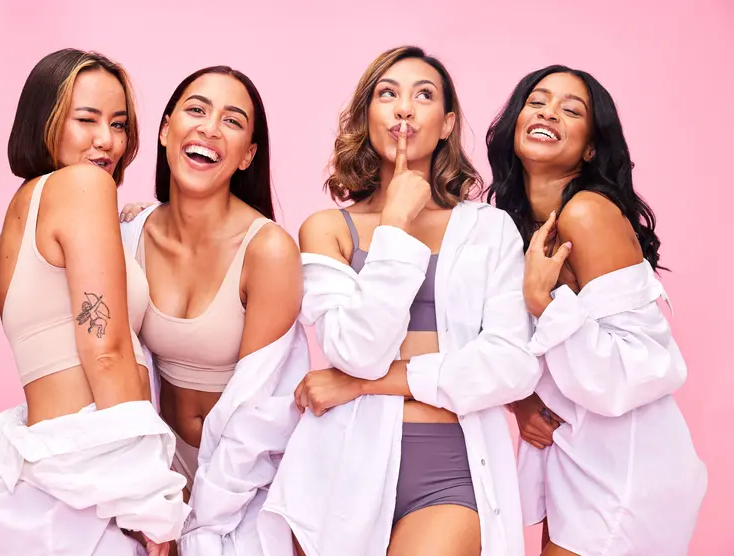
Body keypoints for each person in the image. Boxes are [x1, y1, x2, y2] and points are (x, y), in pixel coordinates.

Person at [257, 46, 540, 556]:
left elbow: (512, 366)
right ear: (369, 116)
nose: (404, 109)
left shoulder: (488, 229)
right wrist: (394, 227)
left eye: (423, 95)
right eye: (387, 94)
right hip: (341, 465)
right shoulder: (327, 229)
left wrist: (368, 384)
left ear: (448, 123)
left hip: (452, 469)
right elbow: (354, 350)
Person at [0, 49, 189, 556]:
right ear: (46, 122)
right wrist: (149, 501)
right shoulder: (83, 187)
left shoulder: (15, 222)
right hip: (93, 479)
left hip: (42, 477)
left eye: (119, 123)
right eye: (87, 119)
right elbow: (106, 350)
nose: (108, 140)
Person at [486, 64, 707, 556]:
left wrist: (544, 302)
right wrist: (520, 402)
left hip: (627, 465)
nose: (548, 112)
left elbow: (635, 371)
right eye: (537, 101)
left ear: (590, 147)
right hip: (571, 457)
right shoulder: (511, 226)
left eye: (571, 109)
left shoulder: (587, 214)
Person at [118, 66, 309, 556]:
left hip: (246, 479)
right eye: (197, 110)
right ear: (165, 130)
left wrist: (197, 522)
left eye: (232, 120)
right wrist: (151, 497)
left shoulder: (268, 251)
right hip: (154, 471)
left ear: (248, 155)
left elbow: (258, 414)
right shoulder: (126, 236)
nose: (209, 127)